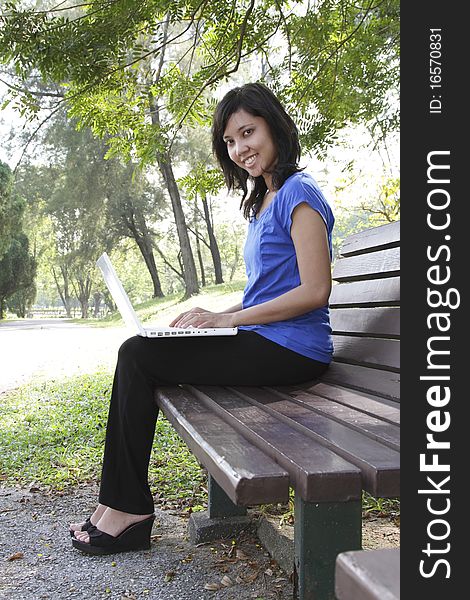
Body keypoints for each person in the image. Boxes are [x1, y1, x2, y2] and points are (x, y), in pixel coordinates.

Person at [70, 82, 335, 555]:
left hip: (295, 350)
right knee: (139, 352)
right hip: (268, 340)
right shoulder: (265, 200)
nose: (240, 149)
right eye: (230, 142)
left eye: (247, 132)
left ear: (274, 126)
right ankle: (116, 504)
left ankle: (126, 509)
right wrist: (216, 315)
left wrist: (229, 323)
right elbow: (266, 291)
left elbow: (315, 291)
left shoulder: (300, 193)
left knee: (138, 355)